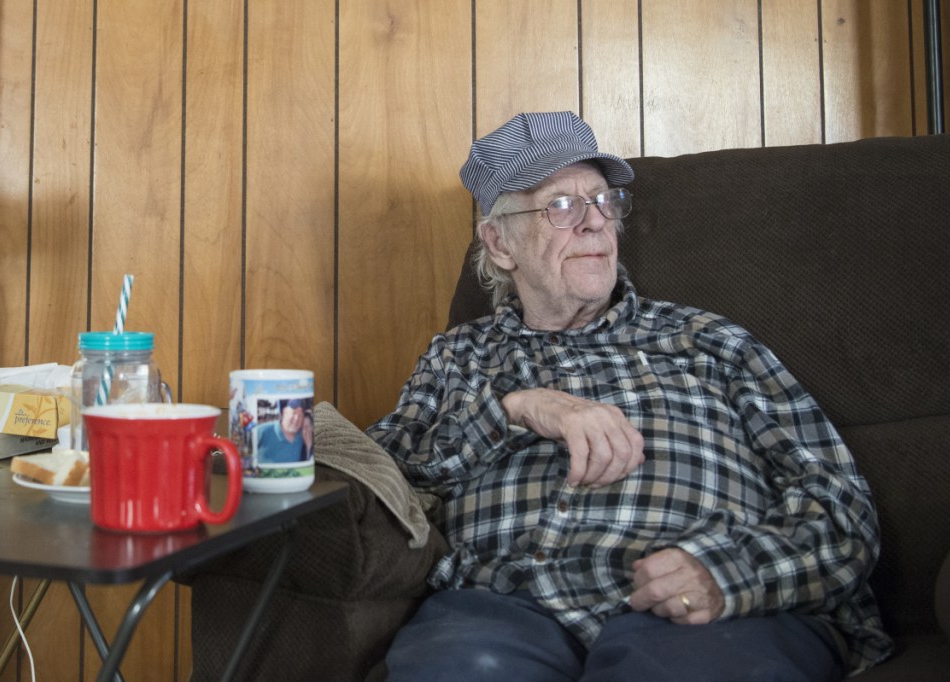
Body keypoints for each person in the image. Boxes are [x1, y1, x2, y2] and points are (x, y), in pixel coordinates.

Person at [368, 111, 893, 680]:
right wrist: (513, 410)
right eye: (560, 206)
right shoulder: (458, 357)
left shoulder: (709, 342)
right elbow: (377, 478)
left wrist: (728, 573)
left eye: (602, 201)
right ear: (500, 243)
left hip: (702, 614)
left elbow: (840, 502)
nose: (595, 223)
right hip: (499, 611)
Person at [254, 398, 305, 464]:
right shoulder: (261, 431)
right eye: (294, 413)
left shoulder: (303, 436)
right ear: (284, 412)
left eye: (300, 415)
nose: (297, 418)